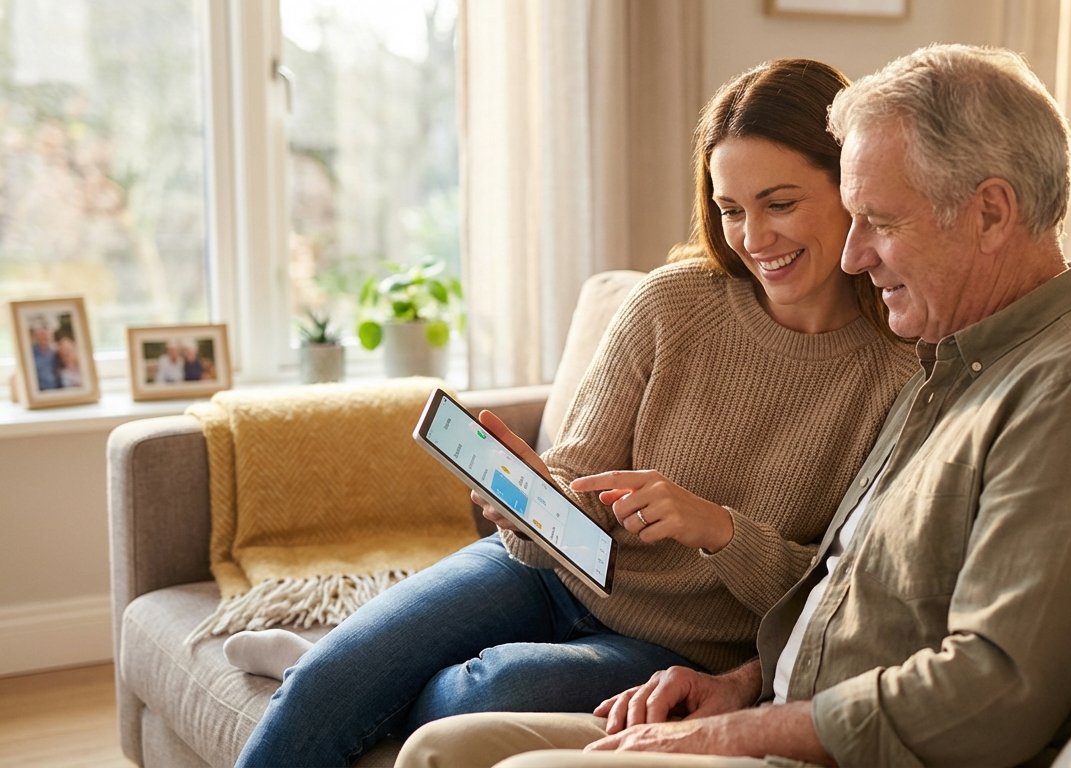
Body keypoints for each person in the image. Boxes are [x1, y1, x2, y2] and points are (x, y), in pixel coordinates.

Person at [394, 43, 1071, 768]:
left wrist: (742, 731)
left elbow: (990, 696)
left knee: (464, 740)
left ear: (991, 212)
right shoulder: (954, 368)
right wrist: (738, 687)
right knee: (440, 747)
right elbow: (848, 595)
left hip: (832, 752)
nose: (854, 255)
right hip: (768, 715)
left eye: (880, 223)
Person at [231, 57, 919, 767]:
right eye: (731, 210)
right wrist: (530, 498)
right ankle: (323, 668)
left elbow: (840, 595)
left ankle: (355, 680)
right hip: (546, 575)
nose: (753, 238)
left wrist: (718, 529)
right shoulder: (669, 304)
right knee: (330, 678)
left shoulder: (902, 371)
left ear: (853, 187)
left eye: (779, 203)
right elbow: (575, 479)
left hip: (676, 644)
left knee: (467, 699)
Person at [29, 317, 60, 391]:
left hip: (57, 389)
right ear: (36, 337)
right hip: (39, 390)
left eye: (48, 335)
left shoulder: (56, 352)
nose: (46, 337)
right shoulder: (30, 353)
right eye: (42, 335)